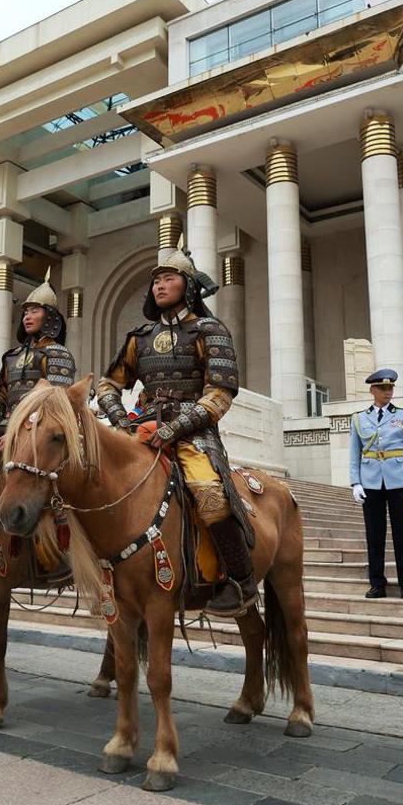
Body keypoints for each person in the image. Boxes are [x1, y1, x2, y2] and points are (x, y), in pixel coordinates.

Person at [95, 248, 254, 617]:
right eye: (156, 280)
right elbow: (107, 385)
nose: (160, 285)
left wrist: (175, 428)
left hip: (193, 434)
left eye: (169, 278)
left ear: (189, 286)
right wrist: (121, 420)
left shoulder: (210, 330)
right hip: (143, 431)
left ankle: (240, 579)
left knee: (209, 493)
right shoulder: (140, 337)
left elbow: (220, 393)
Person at [349, 368, 403, 600]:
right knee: (374, 535)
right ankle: (377, 583)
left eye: (390, 388)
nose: (388, 392)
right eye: (383, 388)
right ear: (373, 390)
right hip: (371, 483)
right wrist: (355, 482)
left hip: (399, 482)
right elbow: (354, 453)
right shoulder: (359, 418)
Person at [0, 272, 77, 441]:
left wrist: (19, 430)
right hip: (6, 433)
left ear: (49, 315)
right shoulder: (12, 356)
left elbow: (55, 404)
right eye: (26, 312)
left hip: (41, 436)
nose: (27, 317)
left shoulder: (59, 354)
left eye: (34, 311)